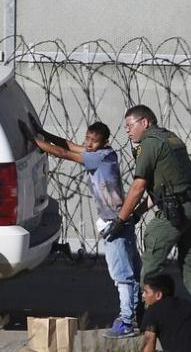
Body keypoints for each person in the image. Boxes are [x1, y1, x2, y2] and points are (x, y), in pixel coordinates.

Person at [105, 104, 191, 334]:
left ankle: (146, 318)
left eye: (130, 126)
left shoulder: (149, 143)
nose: (127, 131)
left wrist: (121, 219)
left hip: (177, 210)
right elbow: (161, 188)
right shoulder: (170, 138)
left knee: (150, 264)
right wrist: (138, 212)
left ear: (144, 123)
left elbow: (139, 186)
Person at [25, 119, 143, 338]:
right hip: (120, 220)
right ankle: (136, 313)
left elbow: (64, 153)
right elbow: (69, 145)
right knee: (131, 271)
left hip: (114, 222)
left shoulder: (99, 158)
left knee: (121, 275)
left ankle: (127, 321)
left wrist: (33, 140)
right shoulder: (104, 153)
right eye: (87, 139)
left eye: (93, 141)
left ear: (104, 142)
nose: (88, 144)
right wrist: (43, 133)